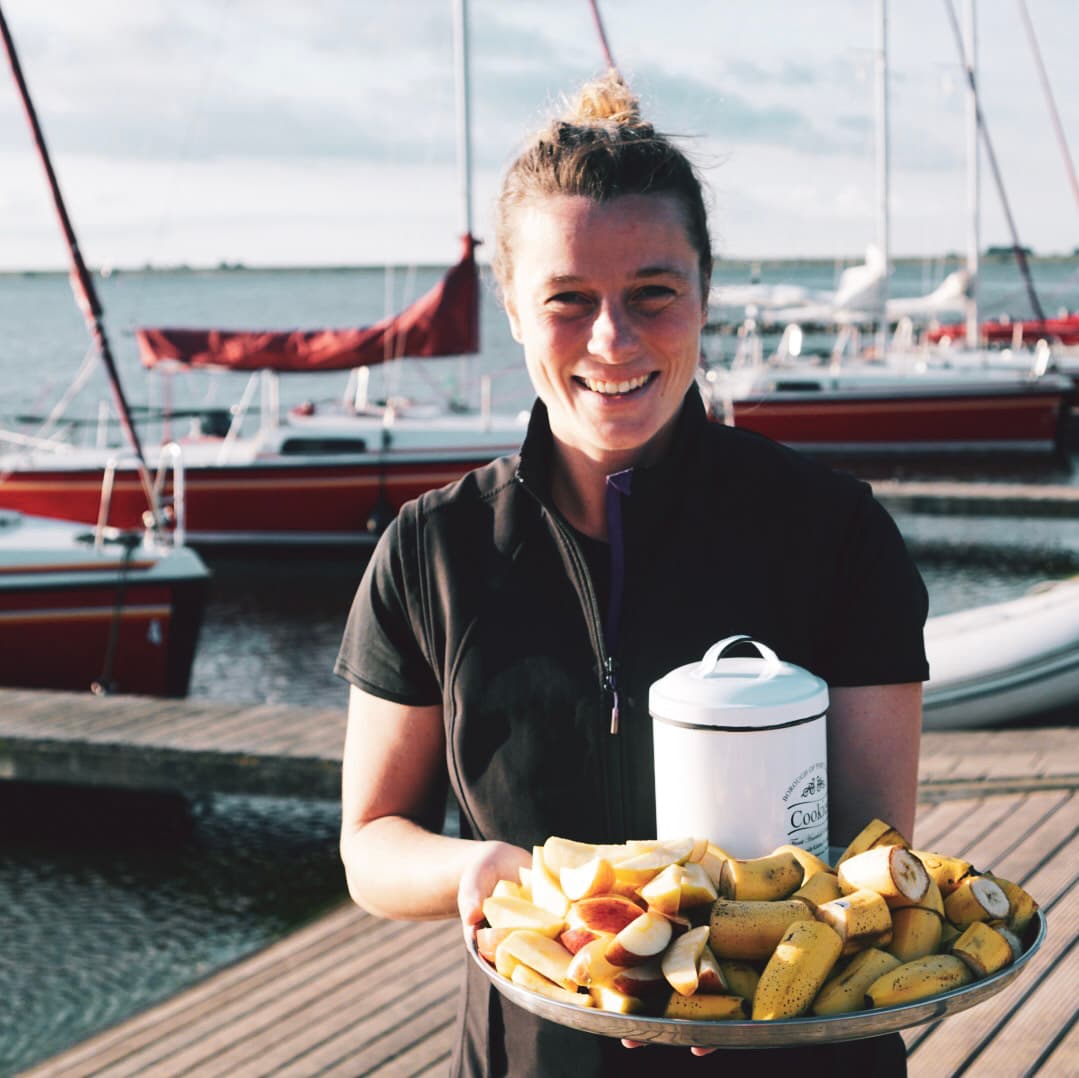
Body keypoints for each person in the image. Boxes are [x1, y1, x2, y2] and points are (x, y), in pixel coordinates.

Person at [336, 70, 928, 1077]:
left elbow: (873, 843)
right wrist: (474, 866)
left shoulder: (834, 533)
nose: (611, 339)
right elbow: (371, 843)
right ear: (514, 311)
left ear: (703, 291)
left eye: (652, 294)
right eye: (567, 301)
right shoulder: (433, 551)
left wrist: (742, 983)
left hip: (793, 1051)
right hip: (535, 1052)